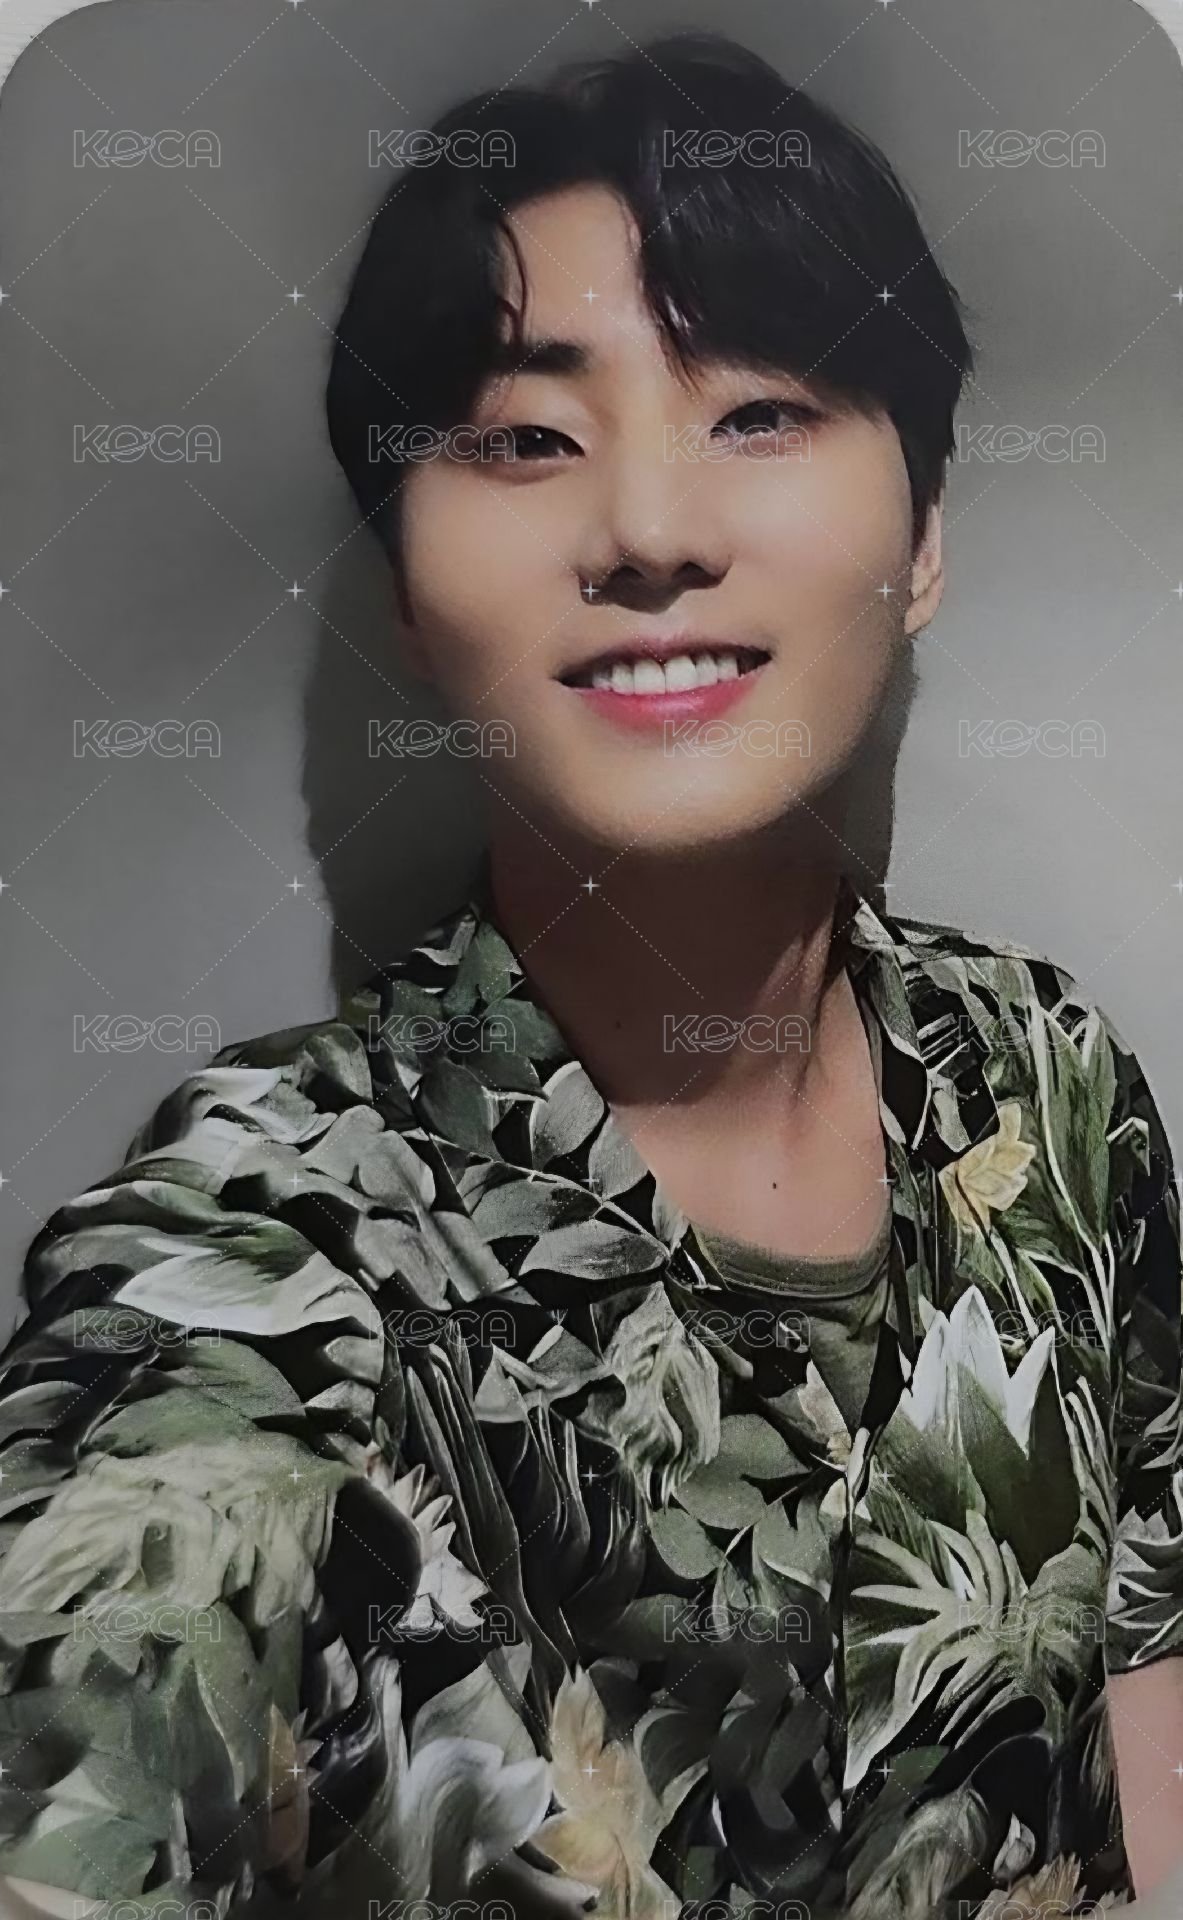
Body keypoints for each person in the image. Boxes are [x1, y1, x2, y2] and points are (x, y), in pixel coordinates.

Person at [0, 31, 1181, 1920]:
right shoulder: (265, 1258)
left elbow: (1141, 1671)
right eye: (526, 439)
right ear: (408, 583)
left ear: (925, 539)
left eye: (763, 411)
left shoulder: (1049, 1075)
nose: (648, 530)